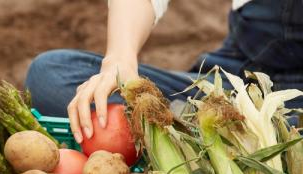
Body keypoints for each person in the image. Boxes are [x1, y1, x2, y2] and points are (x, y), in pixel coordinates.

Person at [25, 0, 303, 143]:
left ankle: (195, 131)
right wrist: (120, 59)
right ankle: (200, 125)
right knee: (50, 75)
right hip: (240, 78)